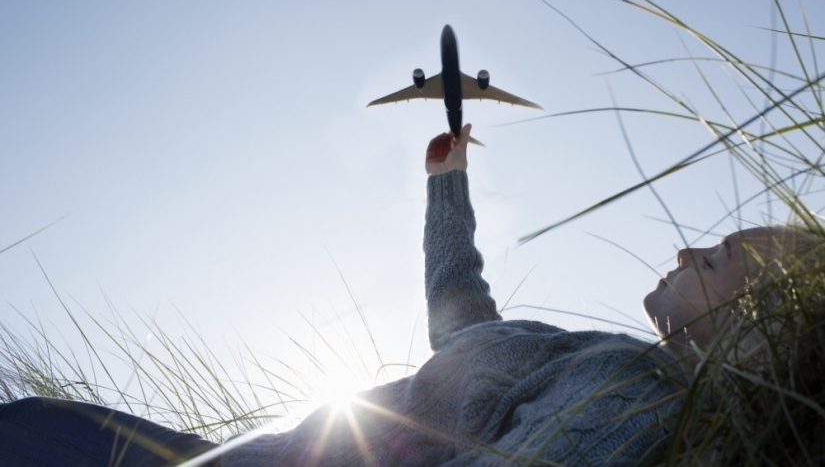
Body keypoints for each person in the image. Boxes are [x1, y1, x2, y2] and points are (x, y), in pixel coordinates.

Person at [0, 124, 819, 466]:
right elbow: (460, 315)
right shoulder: (592, 354)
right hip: (258, 453)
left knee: (31, 432)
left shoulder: (636, 397)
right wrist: (446, 185)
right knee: (34, 422)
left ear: (749, 332)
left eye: (715, 259)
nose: (685, 245)